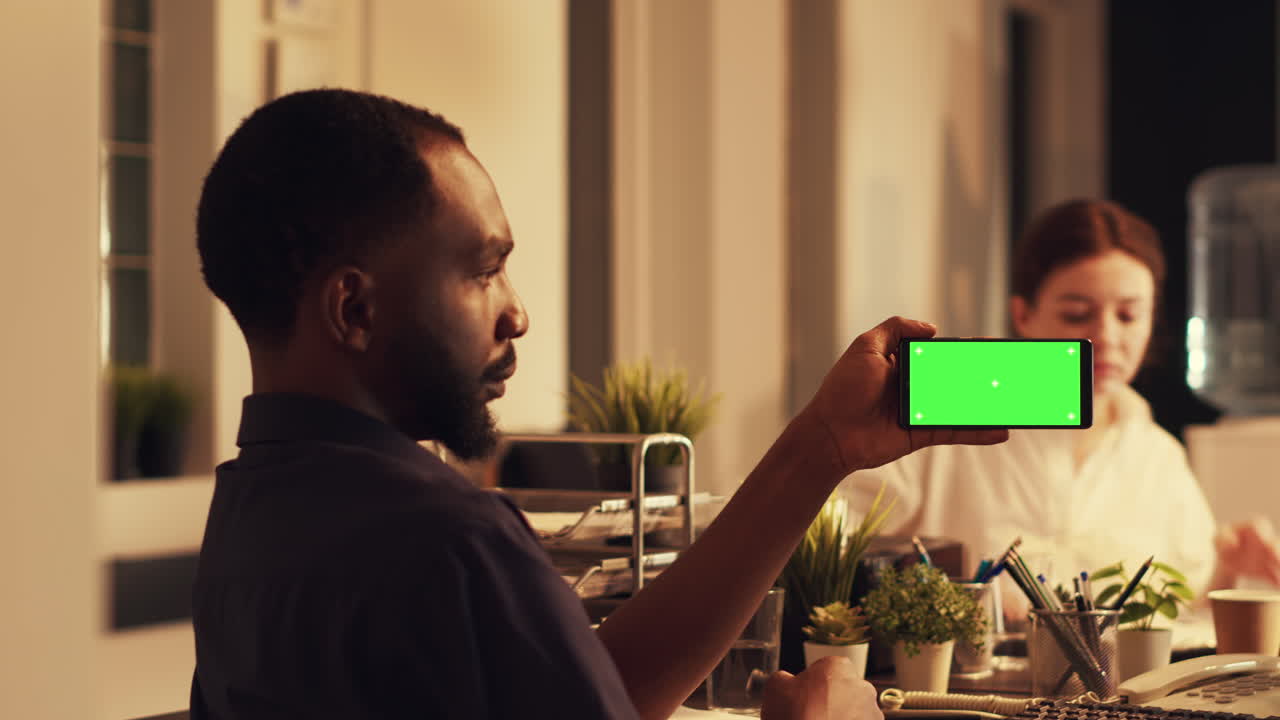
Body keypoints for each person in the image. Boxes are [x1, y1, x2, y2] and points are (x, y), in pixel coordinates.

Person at [189, 88, 1006, 720]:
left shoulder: (254, 512)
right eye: (483, 270)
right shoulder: (450, 543)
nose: (517, 312)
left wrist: (821, 448)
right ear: (354, 311)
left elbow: (599, 691)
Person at [839, 199, 1280, 618]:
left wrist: (1228, 563)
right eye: (1076, 315)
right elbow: (829, 541)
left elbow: (1180, 606)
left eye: (1128, 316)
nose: (1106, 337)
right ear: (1023, 315)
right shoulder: (950, 421)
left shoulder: (1157, 455)